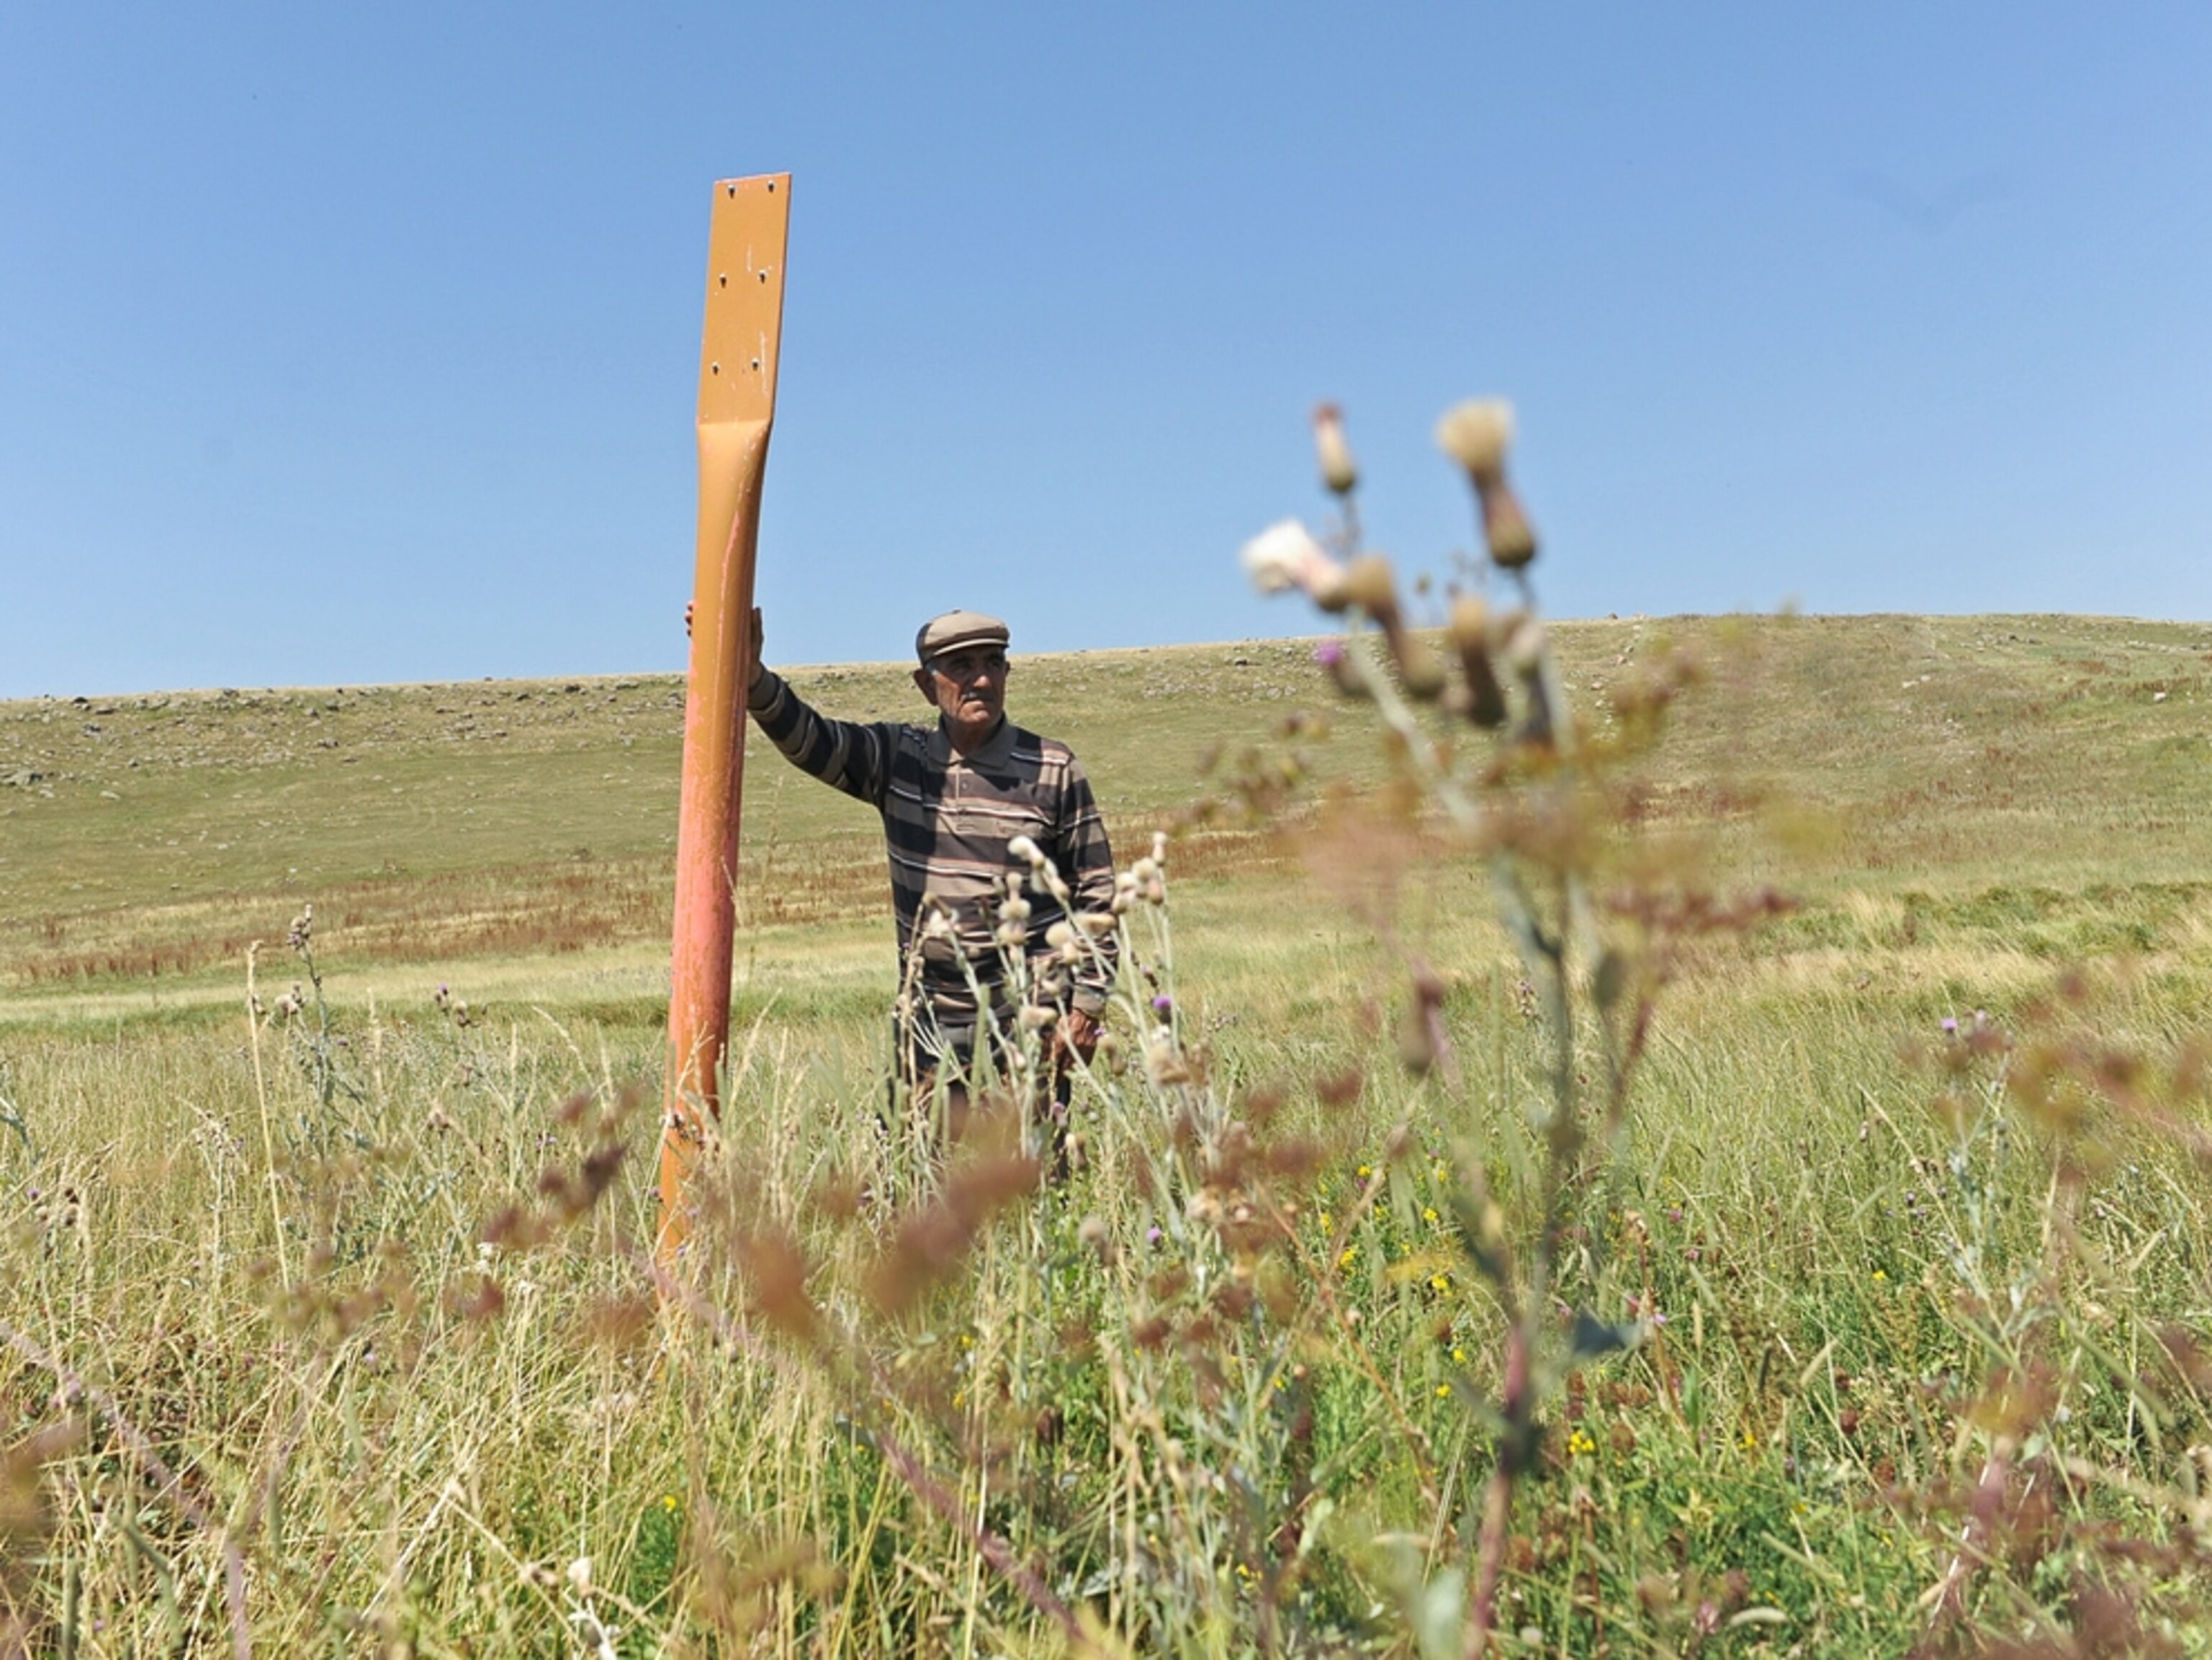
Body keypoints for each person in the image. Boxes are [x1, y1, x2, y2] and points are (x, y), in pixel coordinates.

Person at [742, 607, 1117, 1154]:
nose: (982, 679)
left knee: (1031, 1189)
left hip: (1027, 1025)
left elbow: (1097, 891)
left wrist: (1086, 1008)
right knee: (912, 1182)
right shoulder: (899, 760)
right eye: (961, 667)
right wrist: (754, 679)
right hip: (927, 1029)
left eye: (993, 663)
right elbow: (813, 741)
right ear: (926, 683)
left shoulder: (1053, 769)